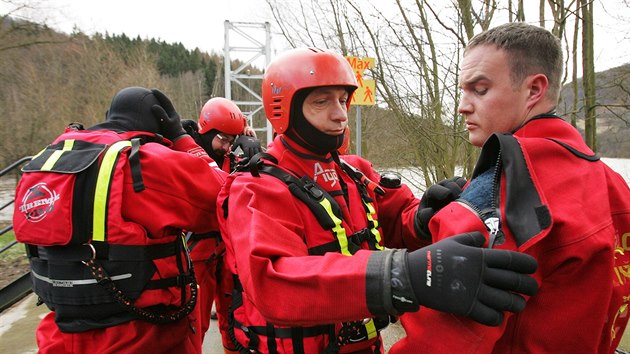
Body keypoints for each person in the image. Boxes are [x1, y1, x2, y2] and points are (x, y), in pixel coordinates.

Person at [216, 47, 539, 353]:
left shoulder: (355, 171)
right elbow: (274, 283)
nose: (340, 114)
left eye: (343, 100)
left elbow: (398, 221)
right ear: (283, 108)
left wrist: (423, 219)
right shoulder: (256, 186)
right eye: (321, 102)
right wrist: (403, 275)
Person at [389, 22, 630, 354]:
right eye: (463, 90)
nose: (462, 105)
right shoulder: (610, 181)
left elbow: (440, 342)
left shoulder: (500, 190)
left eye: (480, 89)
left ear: (534, 90)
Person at [12, 87, 226, 354]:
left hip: (60, 330)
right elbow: (225, 200)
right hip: (140, 335)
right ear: (160, 124)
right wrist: (183, 141)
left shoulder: (49, 159)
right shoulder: (148, 162)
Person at [180, 97, 262, 353]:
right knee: (196, 321)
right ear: (207, 131)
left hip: (227, 250)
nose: (227, 147)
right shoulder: (186, 152)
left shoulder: (233, 154)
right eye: (223, 140)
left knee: (234, 318)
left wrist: (253, 151)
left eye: (231, 141)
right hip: (199, 251)